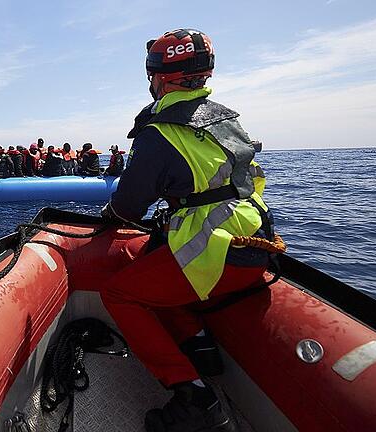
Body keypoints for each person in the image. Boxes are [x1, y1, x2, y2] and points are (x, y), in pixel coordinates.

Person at [98, 29, 272, 432]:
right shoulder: (226, 120)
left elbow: (127, 206)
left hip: (216, 254)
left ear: (158, 77)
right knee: (155, 267)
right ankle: (201, 346)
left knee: (119, 294)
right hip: (255, 241)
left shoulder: (159, 133)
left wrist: (111, 214)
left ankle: (194, 395)